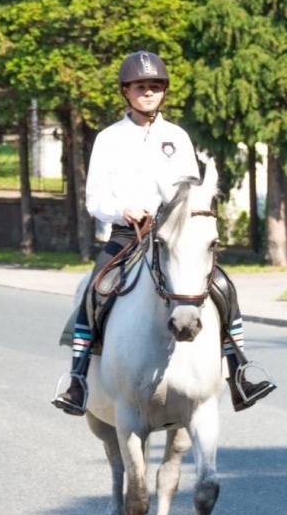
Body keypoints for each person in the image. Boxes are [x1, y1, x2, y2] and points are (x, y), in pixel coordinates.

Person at [52, 51, 275, 417]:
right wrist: (122, 209)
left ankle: (240, 371)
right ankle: (77, 379)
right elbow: (94, 197)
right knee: (94, 291)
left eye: (155, 87)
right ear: (126, 91)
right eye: (141, 87)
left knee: (222, 286)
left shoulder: (177, 137)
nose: (149, 93)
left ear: (164, 92)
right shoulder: (109, 139)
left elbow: (188, 189)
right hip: (127, 235)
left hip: (173, 236)